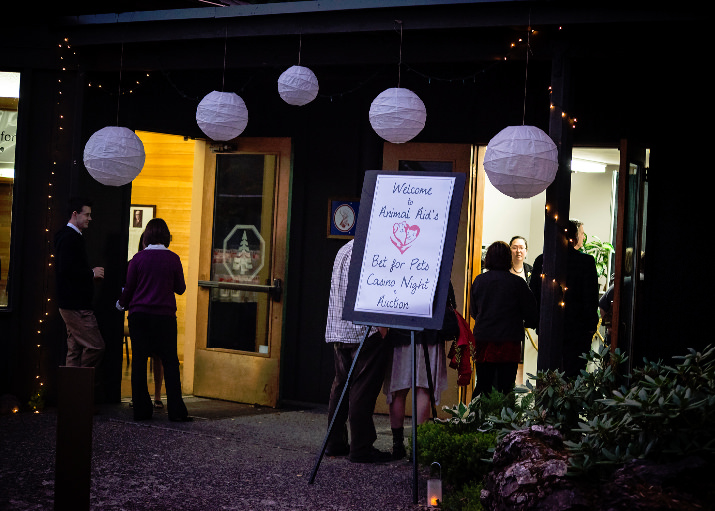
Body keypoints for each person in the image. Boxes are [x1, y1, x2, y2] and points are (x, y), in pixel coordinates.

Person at [324, 239, 392, 463]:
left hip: (339, 328)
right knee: (362, 390)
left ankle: (334, 442)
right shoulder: (372, 250)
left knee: (340, 386)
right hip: (365, 330)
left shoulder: (344, 249)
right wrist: (381, 327)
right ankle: (361, 446)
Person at [117, 218, 190, 422]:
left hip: (139, 316)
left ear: (146, 236)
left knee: (139, 362)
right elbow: (181, 288)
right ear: (167, 236)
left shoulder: (137, 259)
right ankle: (176, 410)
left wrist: (120, 304)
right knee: (170, 362)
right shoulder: (173, 259)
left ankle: (142, 410)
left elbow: (129, 288)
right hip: (165, 317)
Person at [382, 285, 452, 459]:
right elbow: (449, 304)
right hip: (429, 333)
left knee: (398, 390)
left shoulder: (400, 268)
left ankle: (398, 446)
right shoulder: (437, 267)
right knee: (423, 388)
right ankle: (417, 447)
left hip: (400, 331)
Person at [530, 220, 599, 378]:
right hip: (578, 330)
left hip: (549, 326)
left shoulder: (542, 260)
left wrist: (537, 322)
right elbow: (591, 297)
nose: (583, 236)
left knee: (548, 374)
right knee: (574, 375)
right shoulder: (586, 262)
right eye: (581, 233)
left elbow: (534, 295)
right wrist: (590, 326)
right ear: (574, 237)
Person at [470, 241, 538, 396]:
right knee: (506, 387)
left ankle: (479, 417)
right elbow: (531, 312)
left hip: (484, 339)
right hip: (509, 341)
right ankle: (504, 419)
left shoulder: (479, 281)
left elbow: (474, 311)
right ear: (508, 258)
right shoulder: (517, 283)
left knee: (483, 384)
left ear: (488, 259)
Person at [54, 197, 106, 369]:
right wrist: (91, 273)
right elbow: (66, 269)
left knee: (74, 350)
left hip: (71, 304)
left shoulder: (66, 236)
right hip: (76, 305)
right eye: (87, 215)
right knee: (96, 346)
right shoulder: (70, 238)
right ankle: (80, 384)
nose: (90, 219)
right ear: (75, 214)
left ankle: (72, 392)